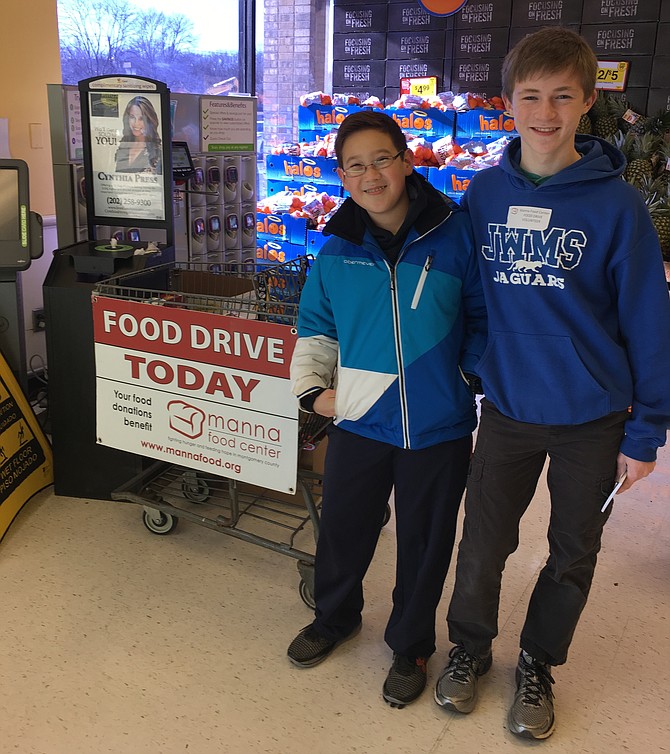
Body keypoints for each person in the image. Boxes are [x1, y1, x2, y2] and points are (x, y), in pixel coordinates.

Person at [434, 26, 670, 740]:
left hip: (594, 421)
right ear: (508, 102)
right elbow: (471, 293)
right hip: (506, 410)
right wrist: (481, 358)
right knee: (482, 544)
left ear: (585, 101)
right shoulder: (483, 194)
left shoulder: (618, 207)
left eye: (562, 95)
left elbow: (649, 323)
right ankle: (469, 650)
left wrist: (646, 430)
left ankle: (538, 662)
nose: (545, 111)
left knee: (573, 552)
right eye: (530, 95)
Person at [287, 110, 487, 708]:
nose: (370, 174)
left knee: (425, 542)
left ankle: (410, 645)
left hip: (438, 423)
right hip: (361, 419)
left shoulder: (457, 232)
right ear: (342, 177)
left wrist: (466, 375)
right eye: (355, 165)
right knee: (344, 529)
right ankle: (335, 617)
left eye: (381, 159)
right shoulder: (336, 247)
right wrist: (312, 390)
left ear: (404, 160)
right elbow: (316, 327)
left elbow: (481, 317)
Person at [115, 96, 162, 174]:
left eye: (141, 119)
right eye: (132, 117)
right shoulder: (123, 145)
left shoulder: (157, 151)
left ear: (149, 120)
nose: (136, 123)